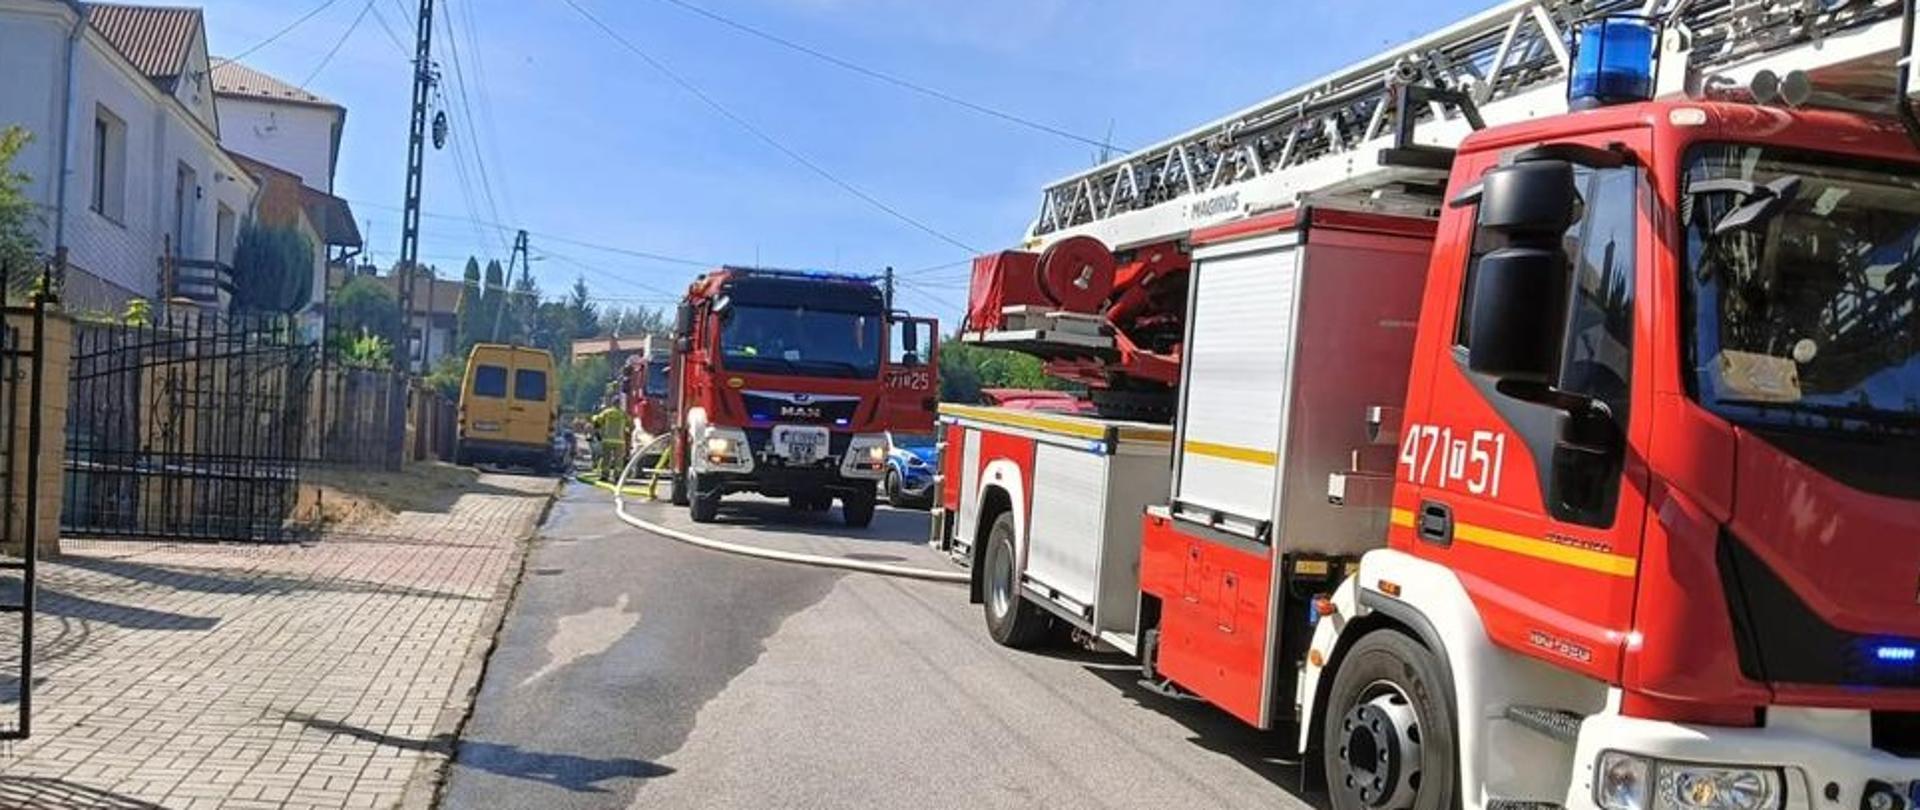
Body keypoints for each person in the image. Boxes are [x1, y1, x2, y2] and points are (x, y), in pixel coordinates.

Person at [591, 392, 631, 482]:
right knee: (618, 460)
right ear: (619, 404)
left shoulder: (607, 412)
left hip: (607, 440)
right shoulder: (623, 414)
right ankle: (617, 476)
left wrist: (594, 418)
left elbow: (597, 421)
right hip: (620, 441)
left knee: (606, 459)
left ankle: (605, 476)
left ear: (612, 403)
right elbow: (631, 425)